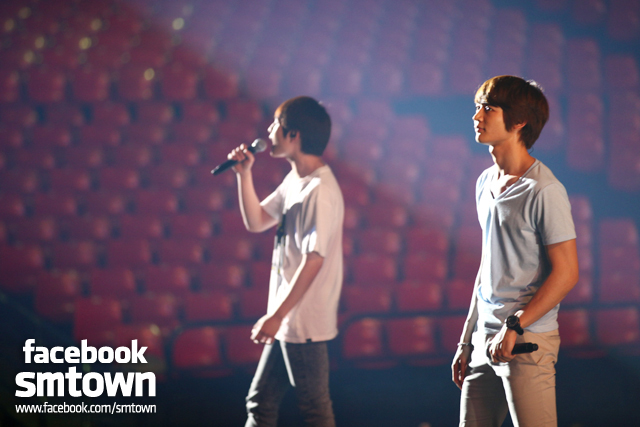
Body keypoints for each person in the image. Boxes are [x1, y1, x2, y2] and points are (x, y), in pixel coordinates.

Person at [451, 76, 579, 427]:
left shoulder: (544, 189)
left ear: (519, 121)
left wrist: (515, 325)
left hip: (526, 339)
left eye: (488, 108)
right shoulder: (484, 182)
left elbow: (567, 273)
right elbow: (488, 265)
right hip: (484, 339)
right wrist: (466, 340)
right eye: (477, 107)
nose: (477, 116)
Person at [227, 96, 343, 427]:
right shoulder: (296, 181)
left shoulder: (319, 190)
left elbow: (314, 260)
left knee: (314, 408)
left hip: (302, 322)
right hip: (289, 320)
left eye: (276, 125)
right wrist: (244, 175)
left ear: (294, 135)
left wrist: (276, 315)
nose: (269, 131)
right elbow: (256, 220)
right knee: (261, 403)